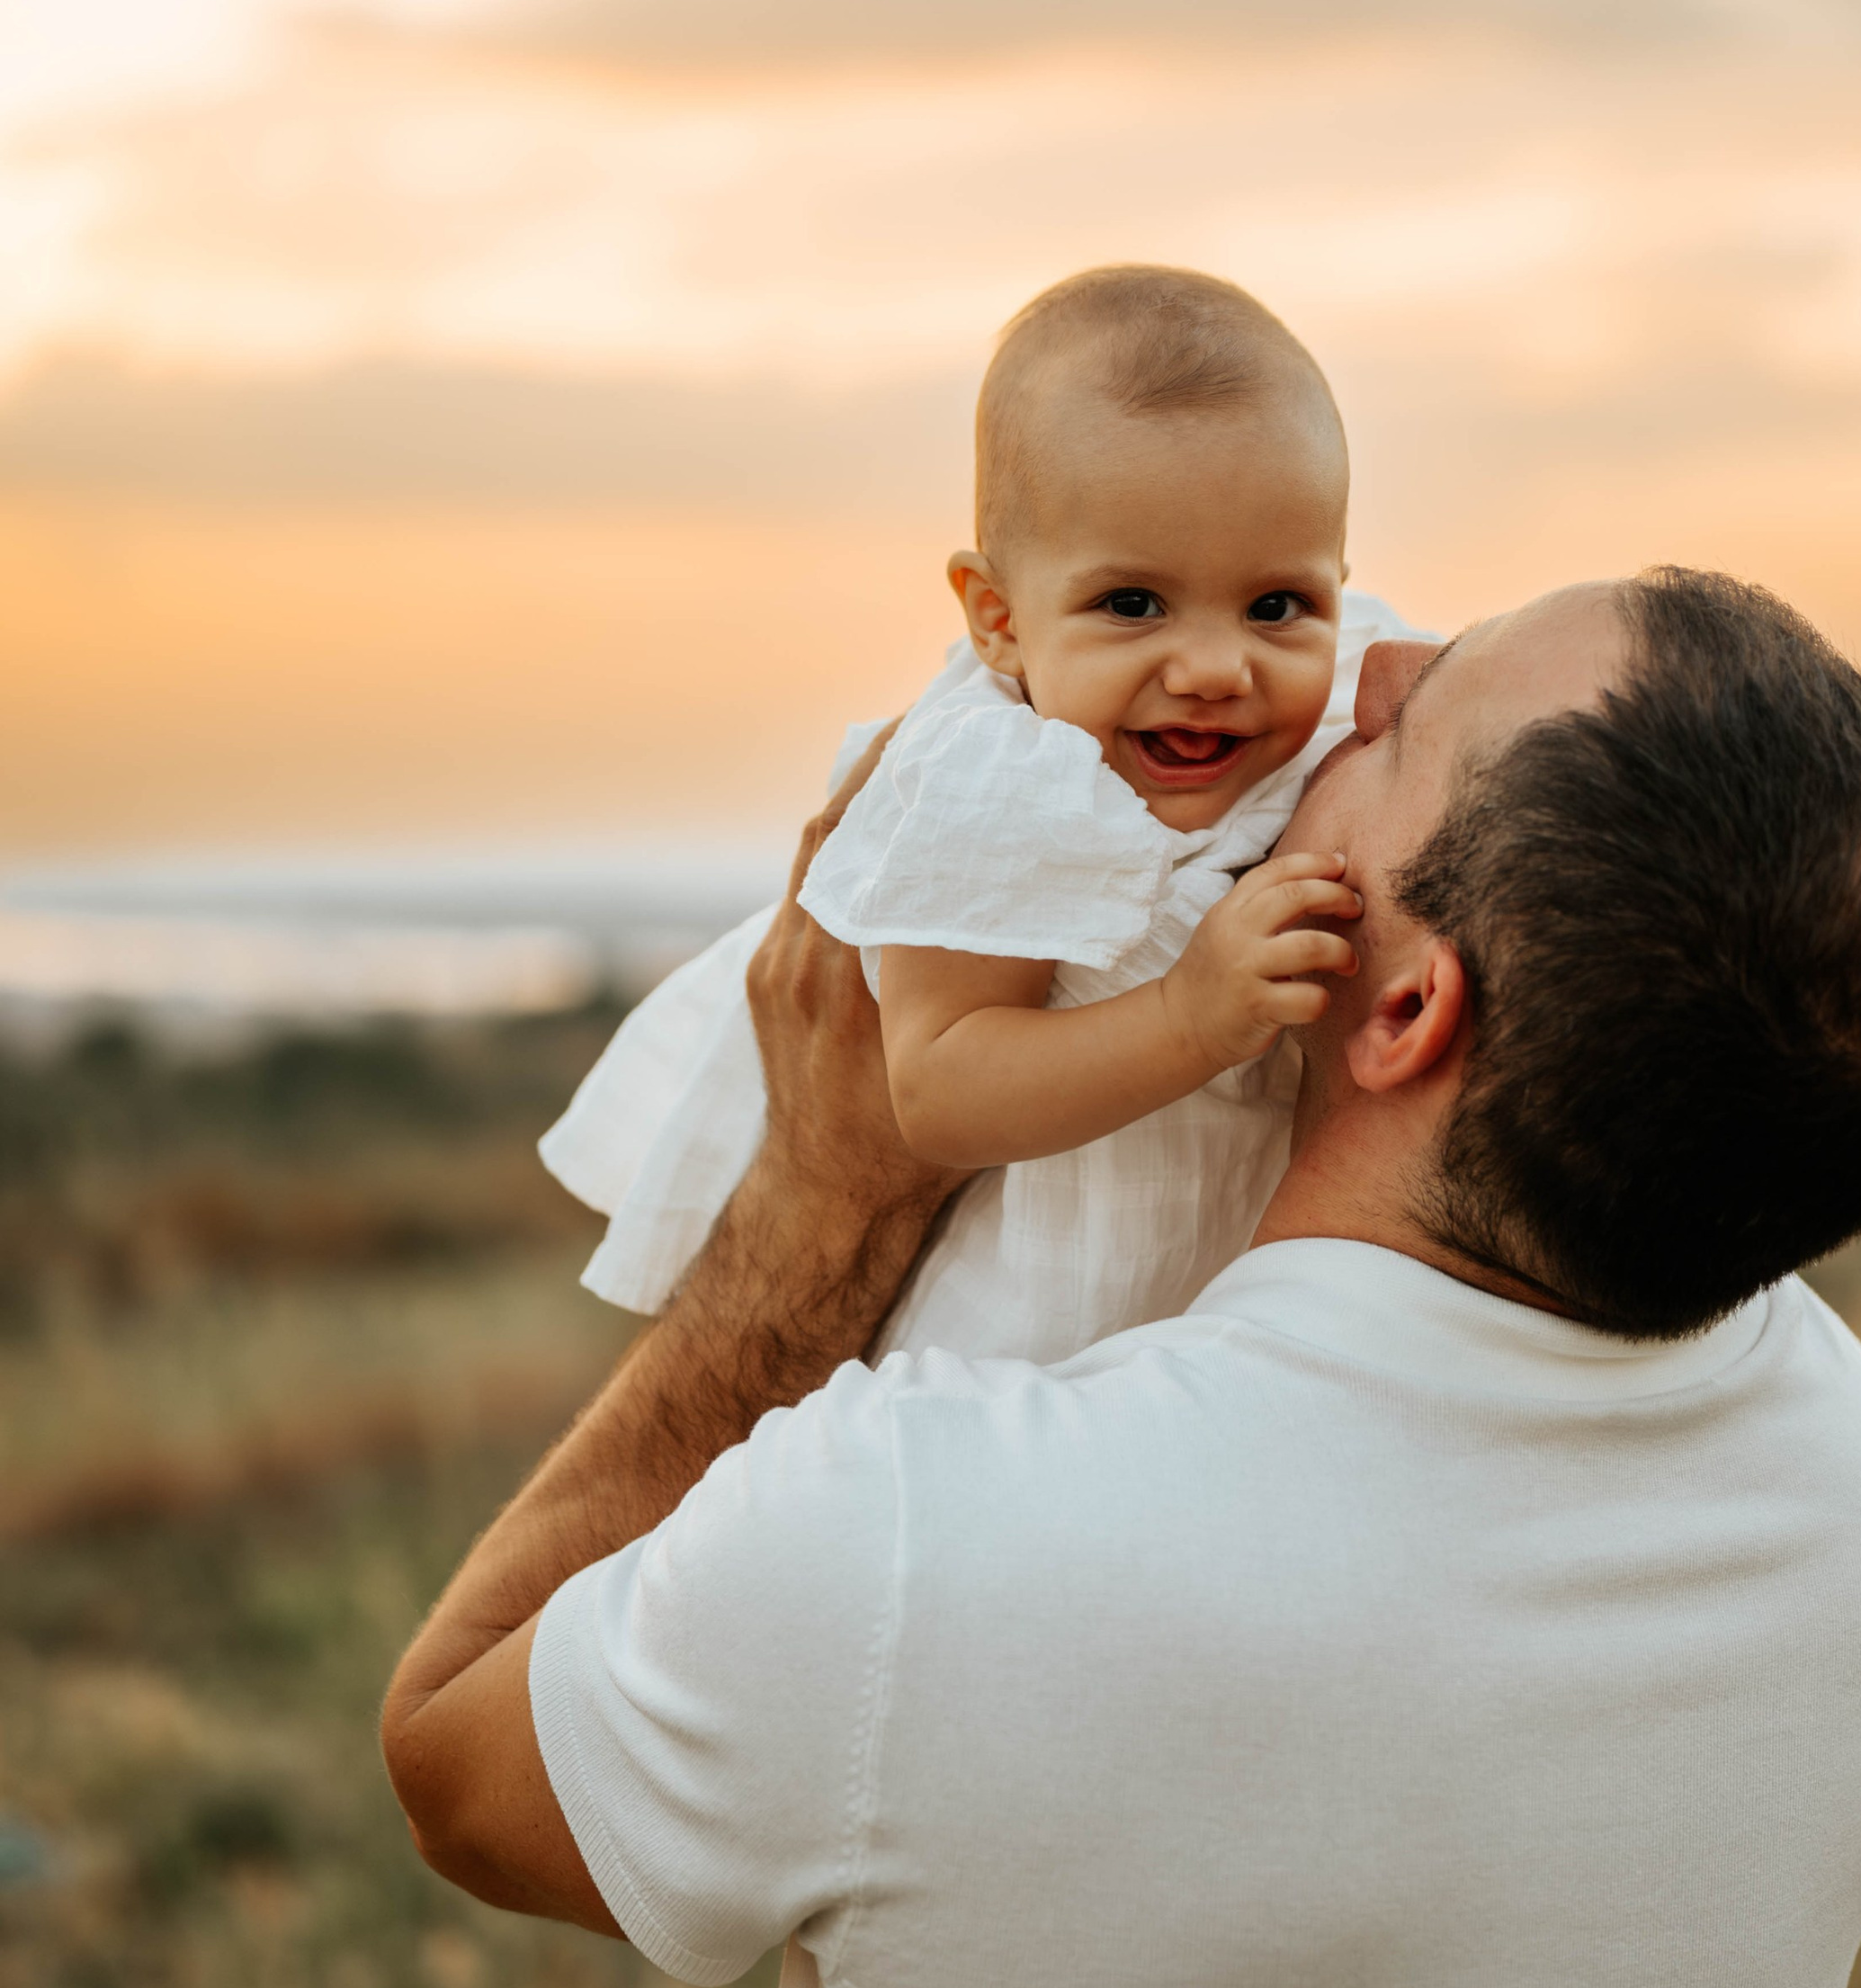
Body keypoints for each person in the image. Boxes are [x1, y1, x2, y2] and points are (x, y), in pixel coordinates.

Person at [383, 568, 1861, 1988]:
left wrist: (819, 1209)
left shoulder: (929, 1542)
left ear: (1405, 1007)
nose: (1366, 668)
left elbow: (458, 1763)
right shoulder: (1847, 1462)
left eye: (1412, 721)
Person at [541, 264, 1410, 1359]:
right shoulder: (996, 780)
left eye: (1276, 604)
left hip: (1223, 1310)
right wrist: (1189, 1015)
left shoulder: (1342, 693)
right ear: (998, 617)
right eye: (1131, 604)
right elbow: (939, 1085)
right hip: (1018, 1329)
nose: (1212, 667)